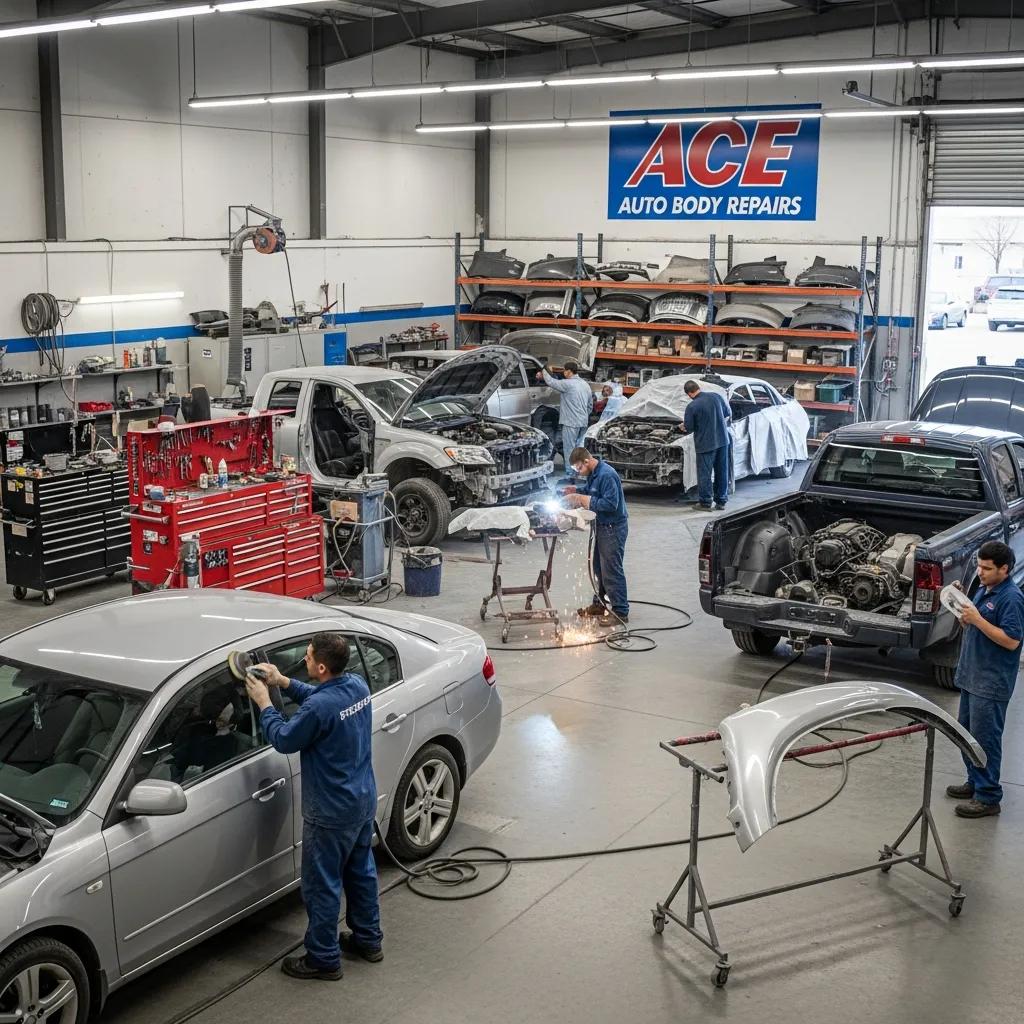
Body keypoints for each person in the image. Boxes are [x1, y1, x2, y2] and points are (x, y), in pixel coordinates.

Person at [244, 633, 383, 981]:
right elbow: (321, 701)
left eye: (306, 657)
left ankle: (323, 958)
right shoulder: (357, 686)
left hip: (331, 813)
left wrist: (265, 702)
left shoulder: (320, 708)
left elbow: (285, 738)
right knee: (361, 874)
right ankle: (369, 940)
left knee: (322, 886)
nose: (304, 660)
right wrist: (282, 681)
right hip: (362, 802)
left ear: (320, 666)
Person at [948, 540, 1024, 818]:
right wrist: (961, 609)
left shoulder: (1012, 598)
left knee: (985, 739)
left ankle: (988, 796)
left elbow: (1012, 641)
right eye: (979, 566)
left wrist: (978, 620)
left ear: (1004, 569)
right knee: (967, 734)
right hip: (972, 675)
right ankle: (974, 781)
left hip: (990, 683)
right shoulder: (985, 588)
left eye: (987, 568)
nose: (980, 572)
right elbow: (971, 623)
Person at [563, 446, 629, 626]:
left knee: (611, 570)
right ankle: (599, 605)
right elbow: (592, 490)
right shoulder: (594, 473)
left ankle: (621, 611)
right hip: (602, 526)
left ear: (586, 461)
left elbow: (610, 504)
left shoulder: (607, 475)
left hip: (613, 527)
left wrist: (583, 500)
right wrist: (576, 491)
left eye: (579, 469)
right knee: (599, 568)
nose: (579, 472)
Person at [678, 379, 731, 512]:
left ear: (689, 394)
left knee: (705, 474)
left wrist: (682, 427)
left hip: (706, 444)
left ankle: (705, 503)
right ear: (698, 388)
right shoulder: (716, 397)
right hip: (723, 441)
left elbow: (689, 428)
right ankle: (721, 501)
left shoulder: (692, 406)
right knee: (722, 471)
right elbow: (727, 413)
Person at [536, 359, 594, 475]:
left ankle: (571, 473)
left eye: (564, 371)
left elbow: (551, 382)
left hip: (571, 422)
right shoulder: (585, 384)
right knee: (579, 448)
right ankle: (581, 472)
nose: (563, 373)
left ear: (568, 372)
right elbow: (590, 405)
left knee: (569, 449)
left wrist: (543, 368)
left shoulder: (567, 384)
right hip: (583, 422)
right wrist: (583, 416)